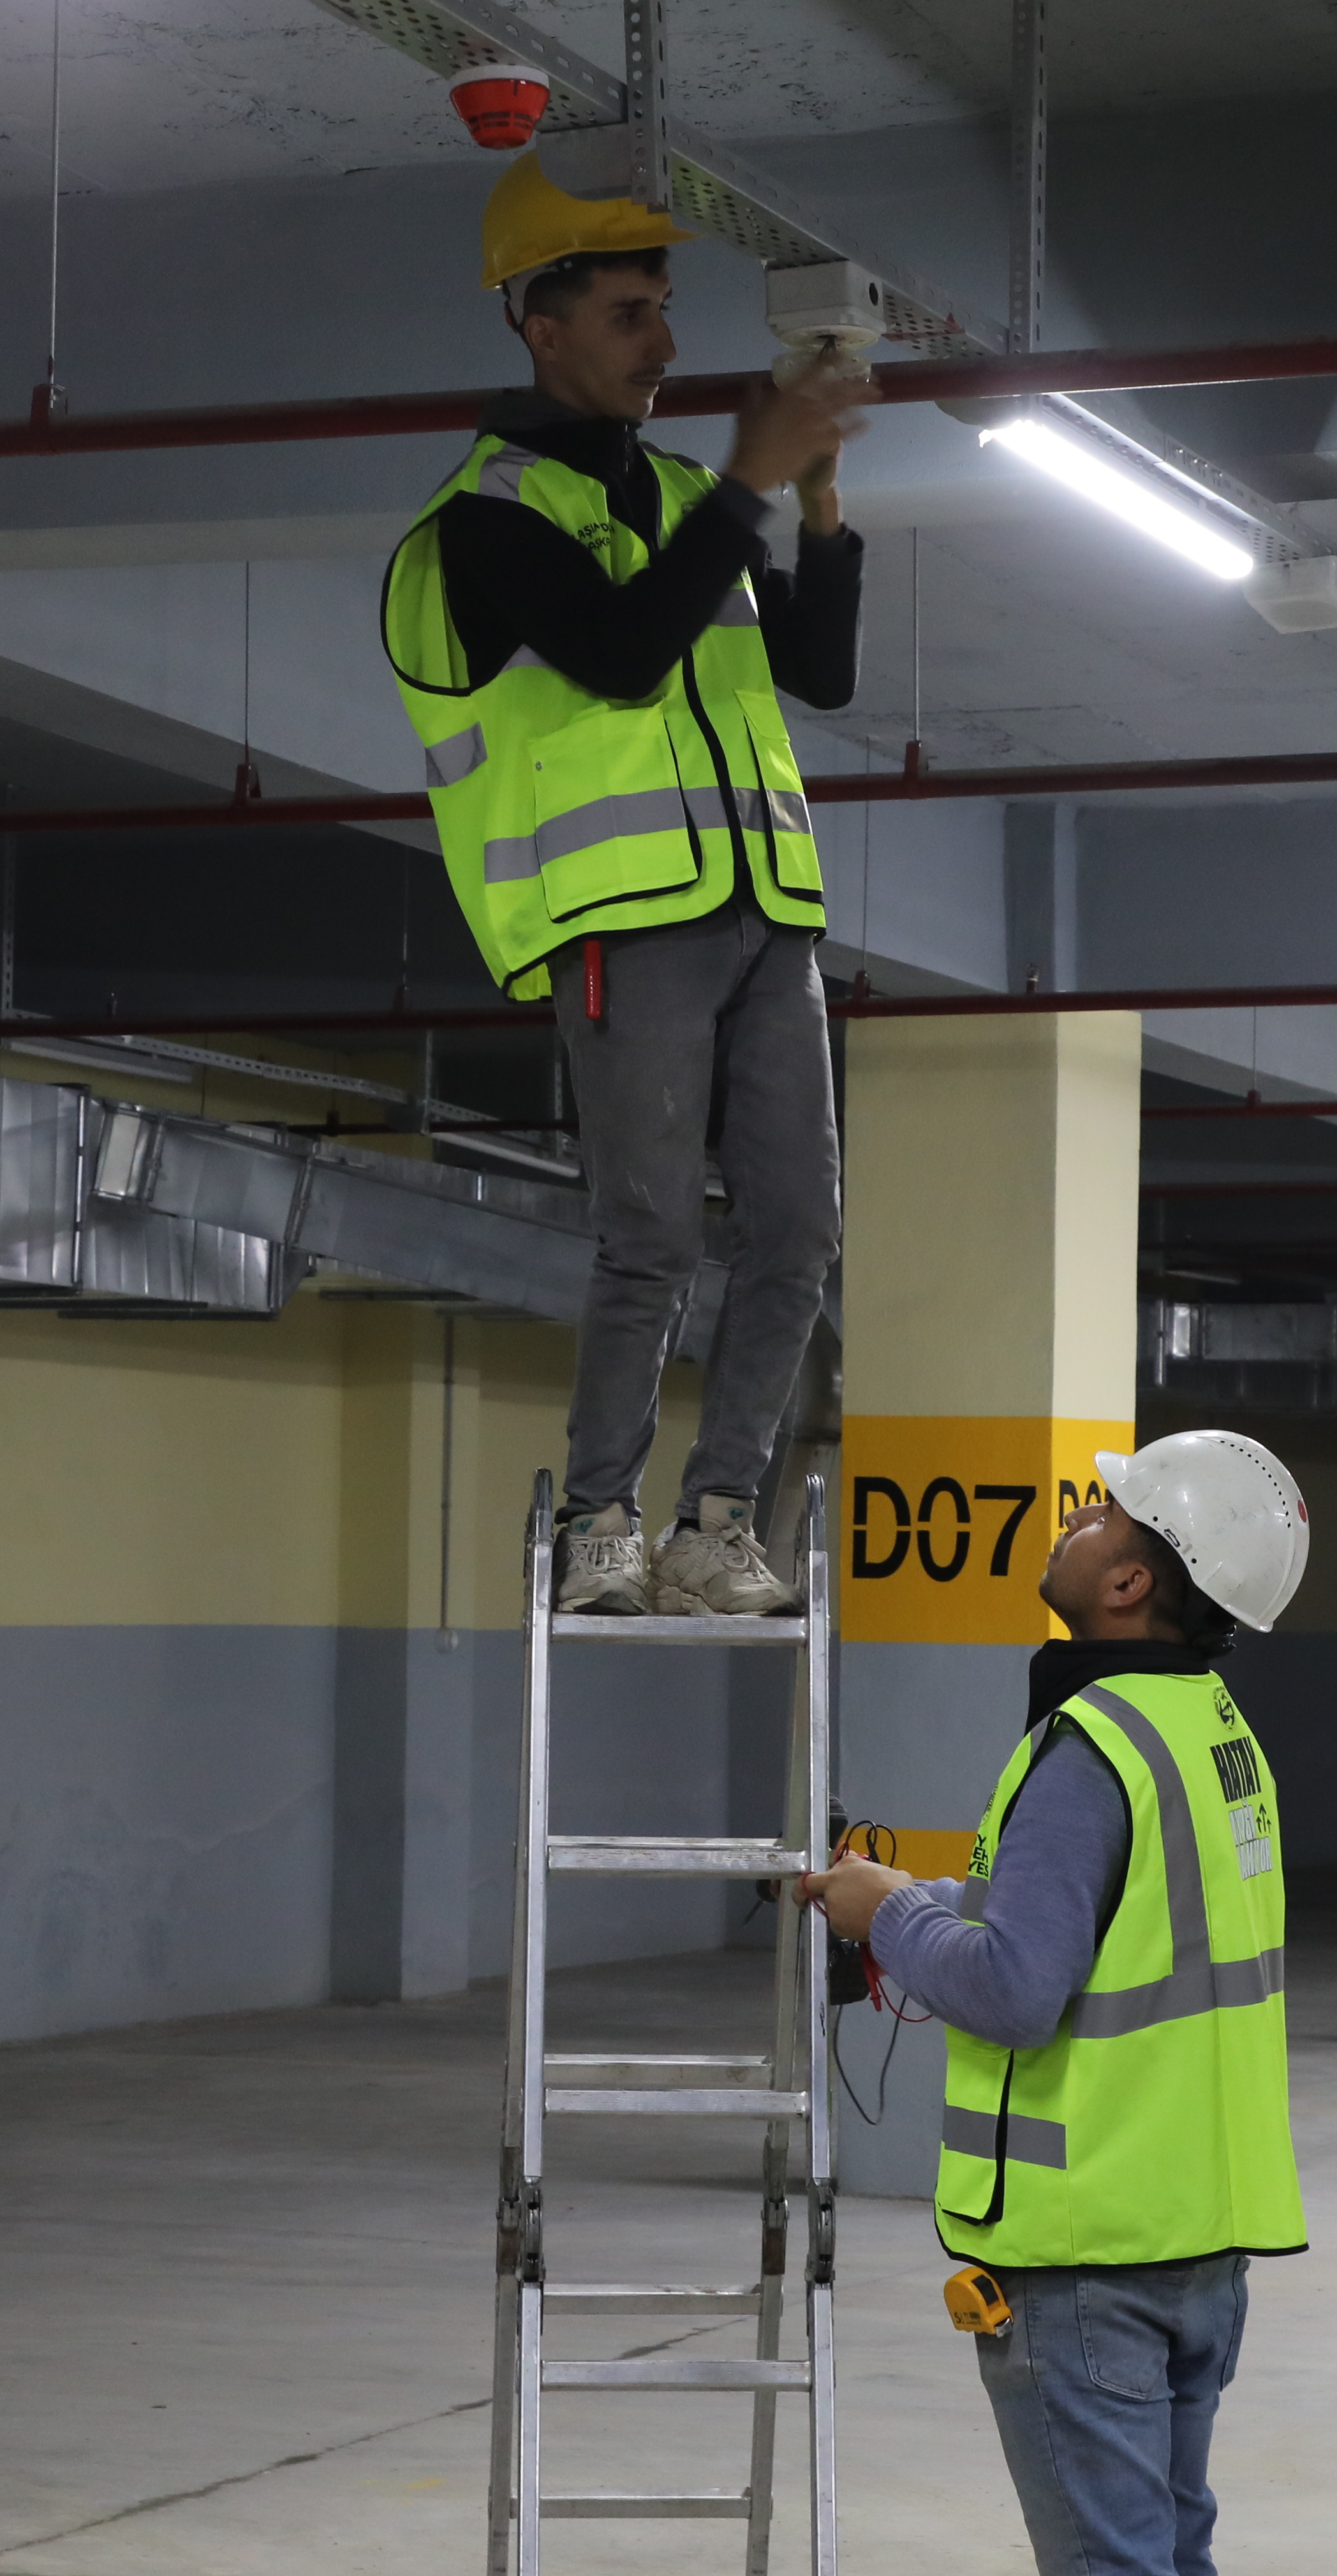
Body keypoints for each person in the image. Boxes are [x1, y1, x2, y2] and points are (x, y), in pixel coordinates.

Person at [797, 1430, 1313, 2576]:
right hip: (1199, 2233)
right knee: (1172, 2568)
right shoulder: (1208, 1732)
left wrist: (882, 1916)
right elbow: (1096, 1922)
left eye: (1102, 1509)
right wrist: (920, 1891)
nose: (1077, 1515)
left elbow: (1022, 1986)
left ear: (1130, 1578)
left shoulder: (1093, 1748)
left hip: (1085, 2255)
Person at [381, 153, 866, 1619]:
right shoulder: (479, 522)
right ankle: (606, 1521)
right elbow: (615, 654)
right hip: (623, 922)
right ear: (543, 325)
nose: (664, 344)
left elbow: (820, 674)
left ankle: (720, 1519)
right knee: (650, 1234)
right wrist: (747, 487)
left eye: (663, 309)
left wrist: (820, 510)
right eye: (631, 313)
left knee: (800, 1233)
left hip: (764, 917)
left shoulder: (679, 493)